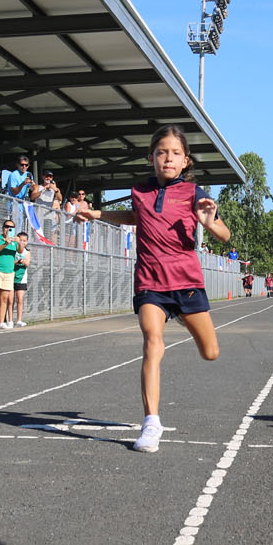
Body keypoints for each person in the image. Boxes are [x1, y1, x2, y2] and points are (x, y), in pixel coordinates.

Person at [75, 124, 230, 454]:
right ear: (151, 158)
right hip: (151, 283)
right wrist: (97, 213)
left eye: (175, 154)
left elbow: (225, 235)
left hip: (186, 283)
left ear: (185, 161)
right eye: (162, 153)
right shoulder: (140, 191)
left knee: (211, 352)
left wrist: (208, 222)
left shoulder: (193, 193)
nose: (168, 159)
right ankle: (151, 422)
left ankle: (182, 317)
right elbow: (136, 216)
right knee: (152, 342)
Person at [0, 220, 20, 329]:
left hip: (9, 272)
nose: (8, 229)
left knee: (4, 298)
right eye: (6, 227)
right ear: (3, 228)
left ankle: (1, 322)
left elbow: (20, 251)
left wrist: (19, 242)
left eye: (11, 227)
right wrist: (6, 243)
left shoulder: (15, 242)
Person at [12, 231, 30, 327]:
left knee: (20, 299)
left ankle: (19, 320)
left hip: (22, 277)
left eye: (24, 241)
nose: (22, 242)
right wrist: (17, 261)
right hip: (12, 276)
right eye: (21, 240)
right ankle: (9, 319)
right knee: (10, 299)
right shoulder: (14, 250)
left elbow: (28, 263)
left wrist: (23, 262)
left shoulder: (27, 252)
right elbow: (11, 262)